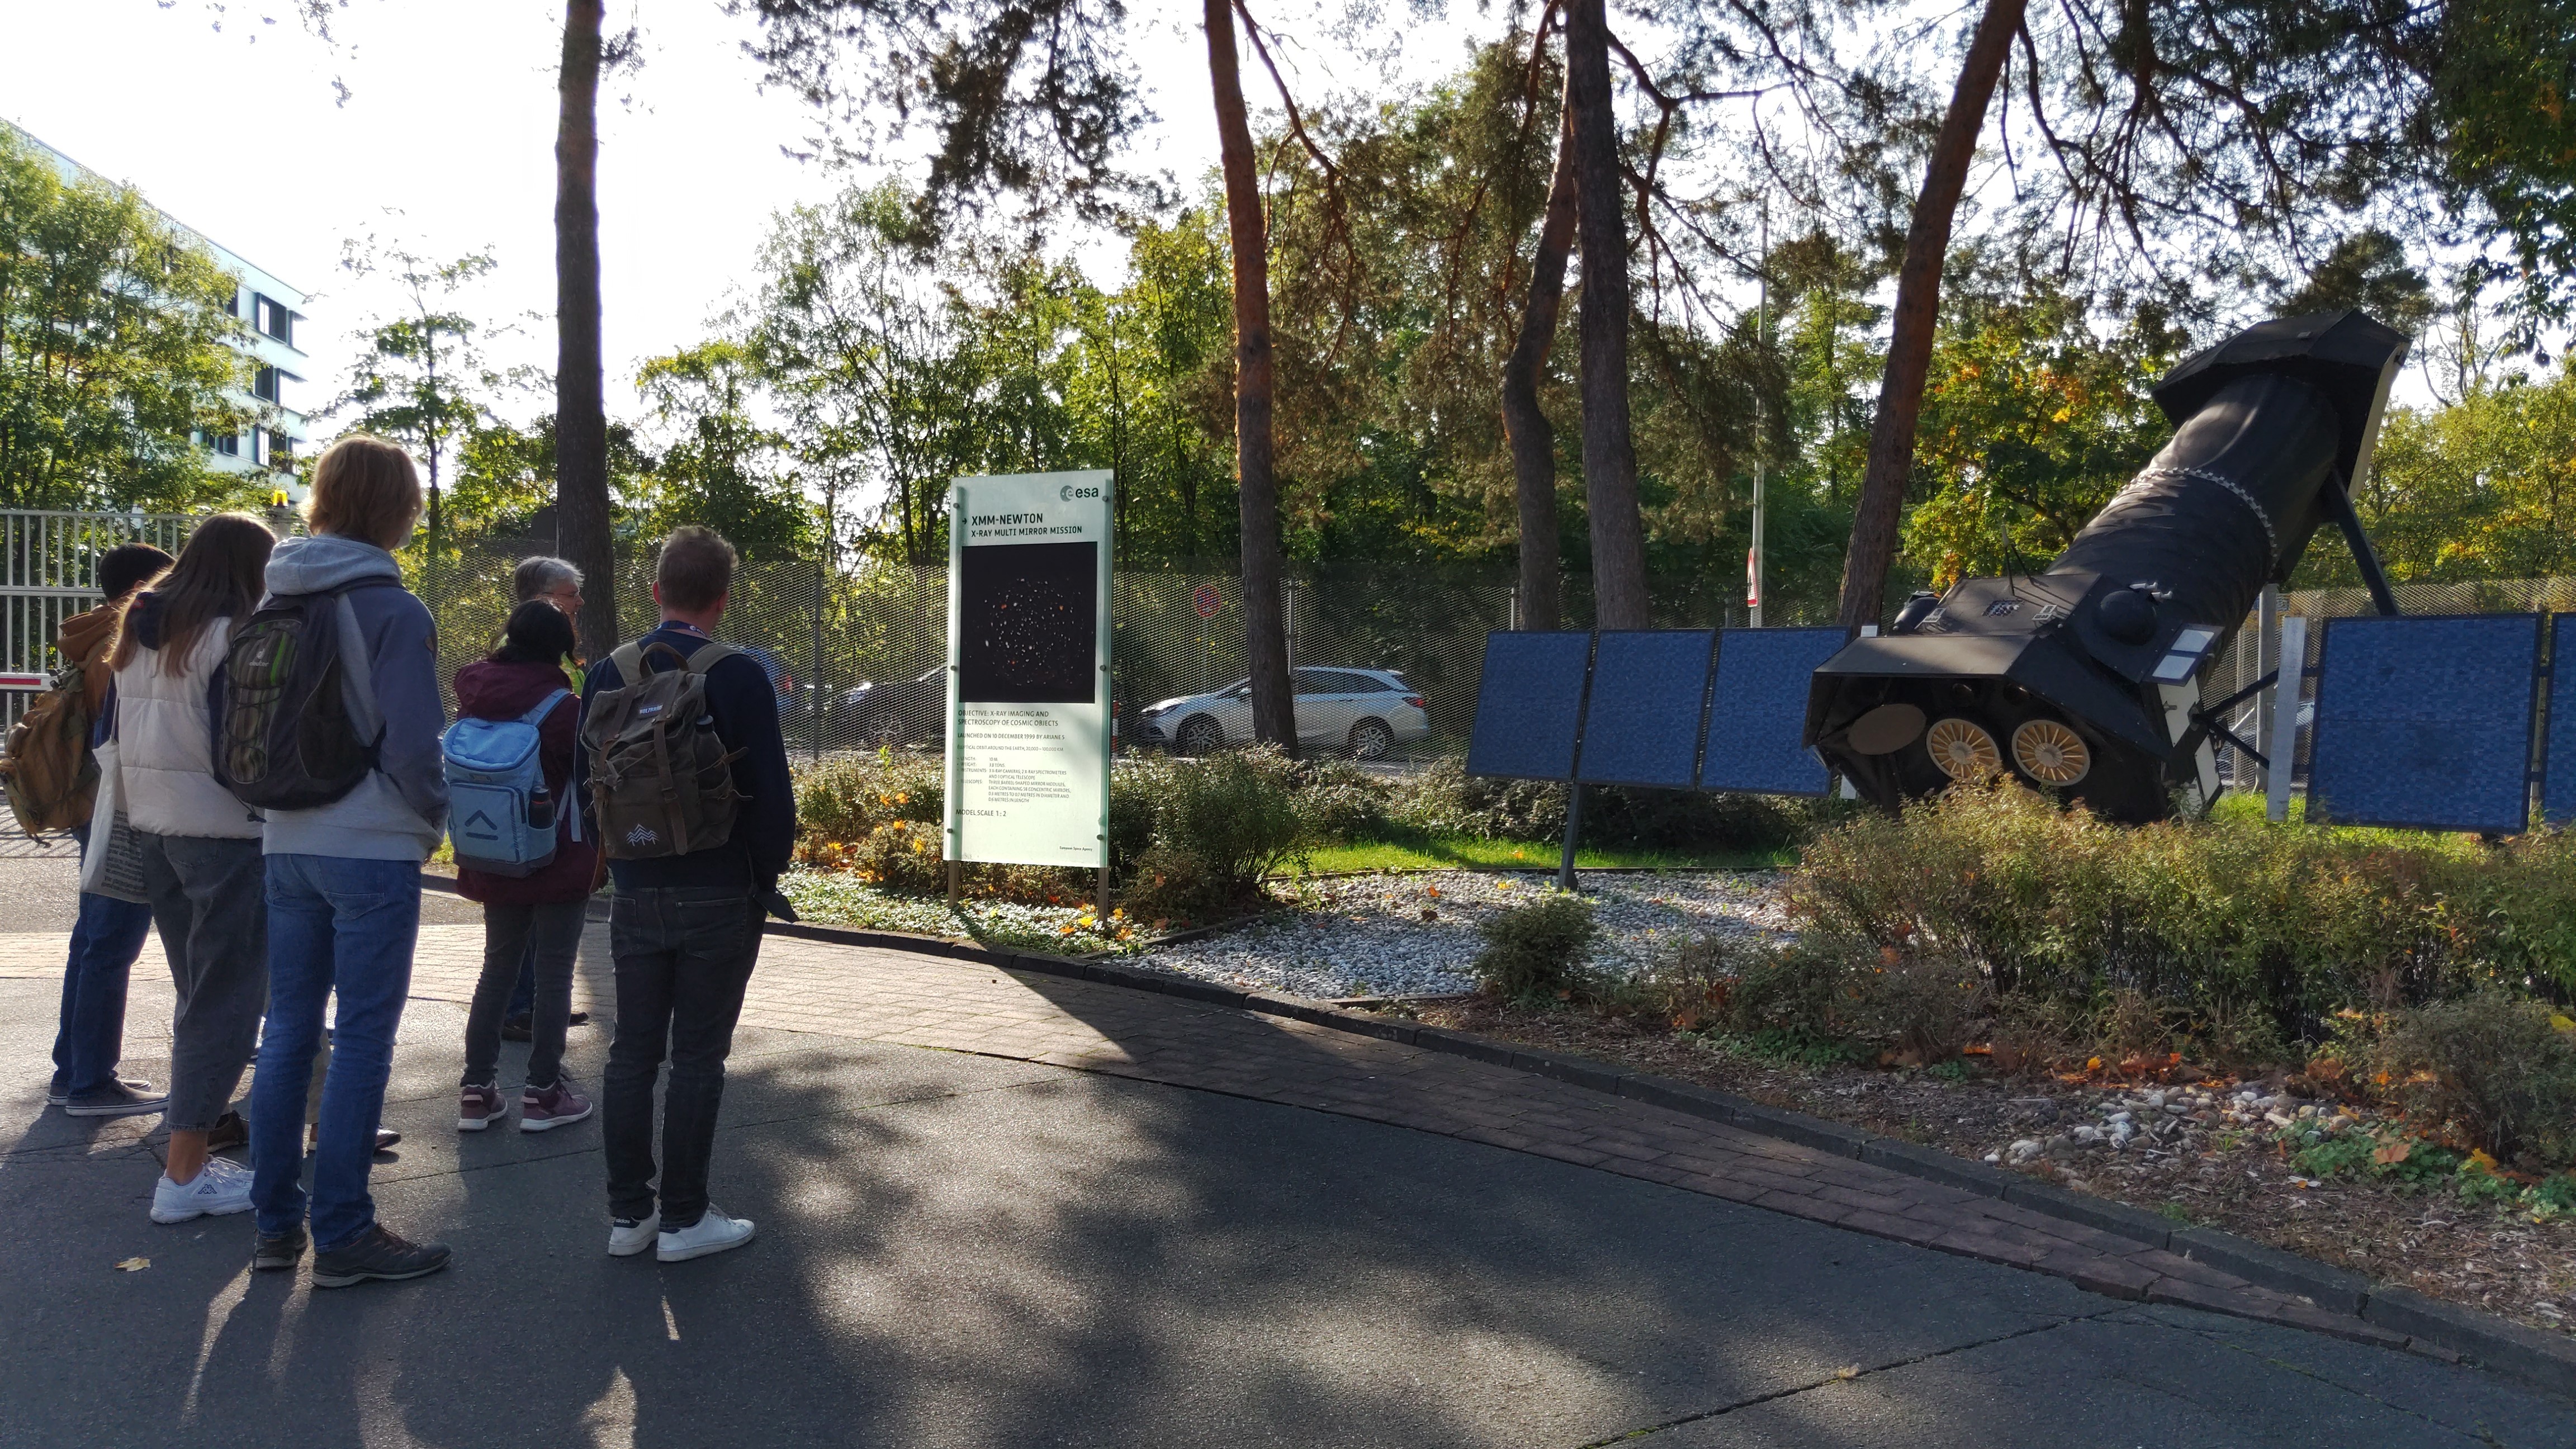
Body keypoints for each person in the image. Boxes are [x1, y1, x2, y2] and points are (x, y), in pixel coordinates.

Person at [247, 435, 452, 1287]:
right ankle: (343, 1234)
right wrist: (434, 813)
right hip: (369, 845)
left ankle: (273, 1228)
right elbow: (411, 743)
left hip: (284, 839)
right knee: (364, 1036)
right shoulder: (392, 609)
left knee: (289, 1029)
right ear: (395, 506)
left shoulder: (274, 599)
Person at [579, 525, 792, 1263]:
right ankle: (685, 1218)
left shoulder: (608, 672)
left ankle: (628, 1215)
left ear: (656, 590)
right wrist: (761, 880)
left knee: (631, 1052)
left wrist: (618, 863)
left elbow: (590, 784)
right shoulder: (737, 675)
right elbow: (772, 800)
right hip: (718, 889)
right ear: (723, 599)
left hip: (636, 889)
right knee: (699, 1055)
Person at [108, 516, 275, 1223]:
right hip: (221, 832)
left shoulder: (140, 629)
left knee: (197, 996)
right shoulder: (231, 635)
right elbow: (241, 747)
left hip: (154, 827)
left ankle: (196, 1152)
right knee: (226, 1002)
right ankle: (184, 1175)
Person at [454, 600, 598, 1132]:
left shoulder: (473, 697)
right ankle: (543, 1092)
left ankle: (477, 1090)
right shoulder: (564, 709)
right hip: (557, 855)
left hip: (492, 851)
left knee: (498, 968)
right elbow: (591, 777)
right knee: (554, 971)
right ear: (561, 648)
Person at [47, 543, 175, 1118]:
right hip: (121, 810)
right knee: (111, 943)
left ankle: (72, 1070)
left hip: (90, 805)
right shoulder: (119, 644)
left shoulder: (91, 635)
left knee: (92, 939)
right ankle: (90, 1083)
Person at [498, 556, 590, 1041]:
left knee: (531, 927)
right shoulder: (527, 653)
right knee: (532, 923)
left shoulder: (538, 652)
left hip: (545, 802)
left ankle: (538, 1003)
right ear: (543, 599)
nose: (578, 601)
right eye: (570, 592)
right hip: (540, 804)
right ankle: (524, 1010)